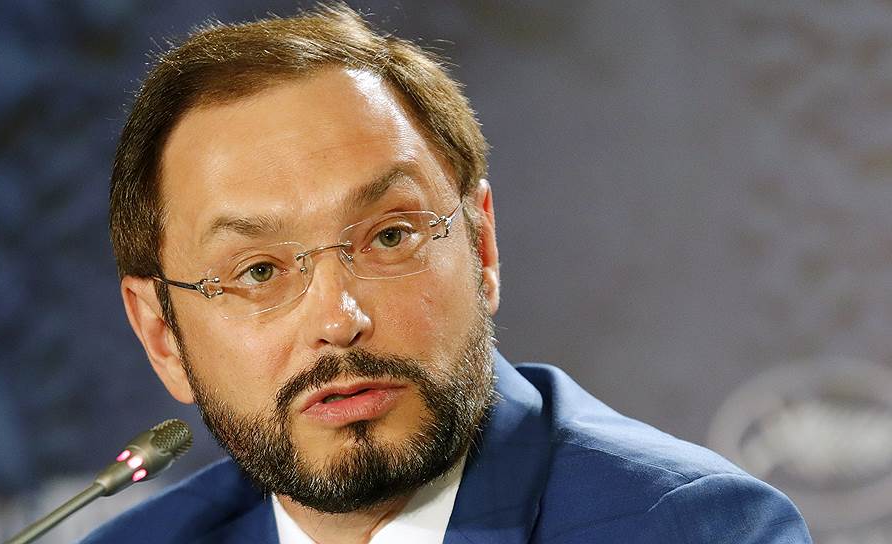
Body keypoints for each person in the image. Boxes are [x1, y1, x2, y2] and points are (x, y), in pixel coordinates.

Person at [85, 4, 811, 543]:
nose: (338, 319)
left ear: (481, 245)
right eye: (258, 271)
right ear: (162, 337)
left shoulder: (691, 529)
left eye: (389, 236)